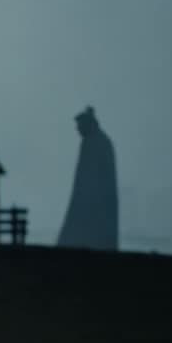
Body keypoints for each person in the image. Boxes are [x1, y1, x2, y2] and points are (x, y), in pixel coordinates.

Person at [57, 106, 118, 251]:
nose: (77, 129)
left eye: (79, 126)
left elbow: (98, 177)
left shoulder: (98, 143)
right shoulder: (93, 142)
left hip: (95, 202)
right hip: (87, 199)